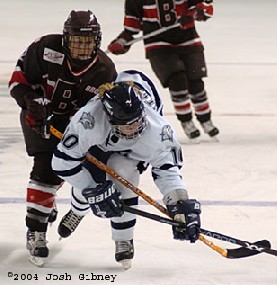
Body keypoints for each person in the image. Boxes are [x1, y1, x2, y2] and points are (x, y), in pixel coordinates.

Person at [51, 73, 201, 269]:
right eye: (126, 125)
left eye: (137, 121)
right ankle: (78, 210)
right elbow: (62, 163)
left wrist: (179, 202)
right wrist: (94, 190)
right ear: (110, 117)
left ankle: (124, 238)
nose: (134, 128)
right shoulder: (89, 121)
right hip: (101, 143)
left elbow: (167, 169)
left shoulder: (157, 129)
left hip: (131, 152)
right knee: (87, 187)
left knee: (125, 178)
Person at [8, 10, 117, 266]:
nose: (81, 47)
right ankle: (36, 230)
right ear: (66, 39)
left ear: (97, 41)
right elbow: (18, 80)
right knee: (45, 169)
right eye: (77, 40)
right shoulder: (46, 47)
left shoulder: (104, 69)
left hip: (76, 128)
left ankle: (45, 204)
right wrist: (30, 100)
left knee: (65, 171)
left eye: (87, 41)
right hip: (39, 116)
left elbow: (101, 113)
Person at [107, 0, 219, 142]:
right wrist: (121, 42)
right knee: (177, 80)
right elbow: (131, 29)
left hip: (188, 39)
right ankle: (186, 121)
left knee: (195, 83)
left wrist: (195, 12)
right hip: (157, 45)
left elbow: (206, 9)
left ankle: (205, 120)